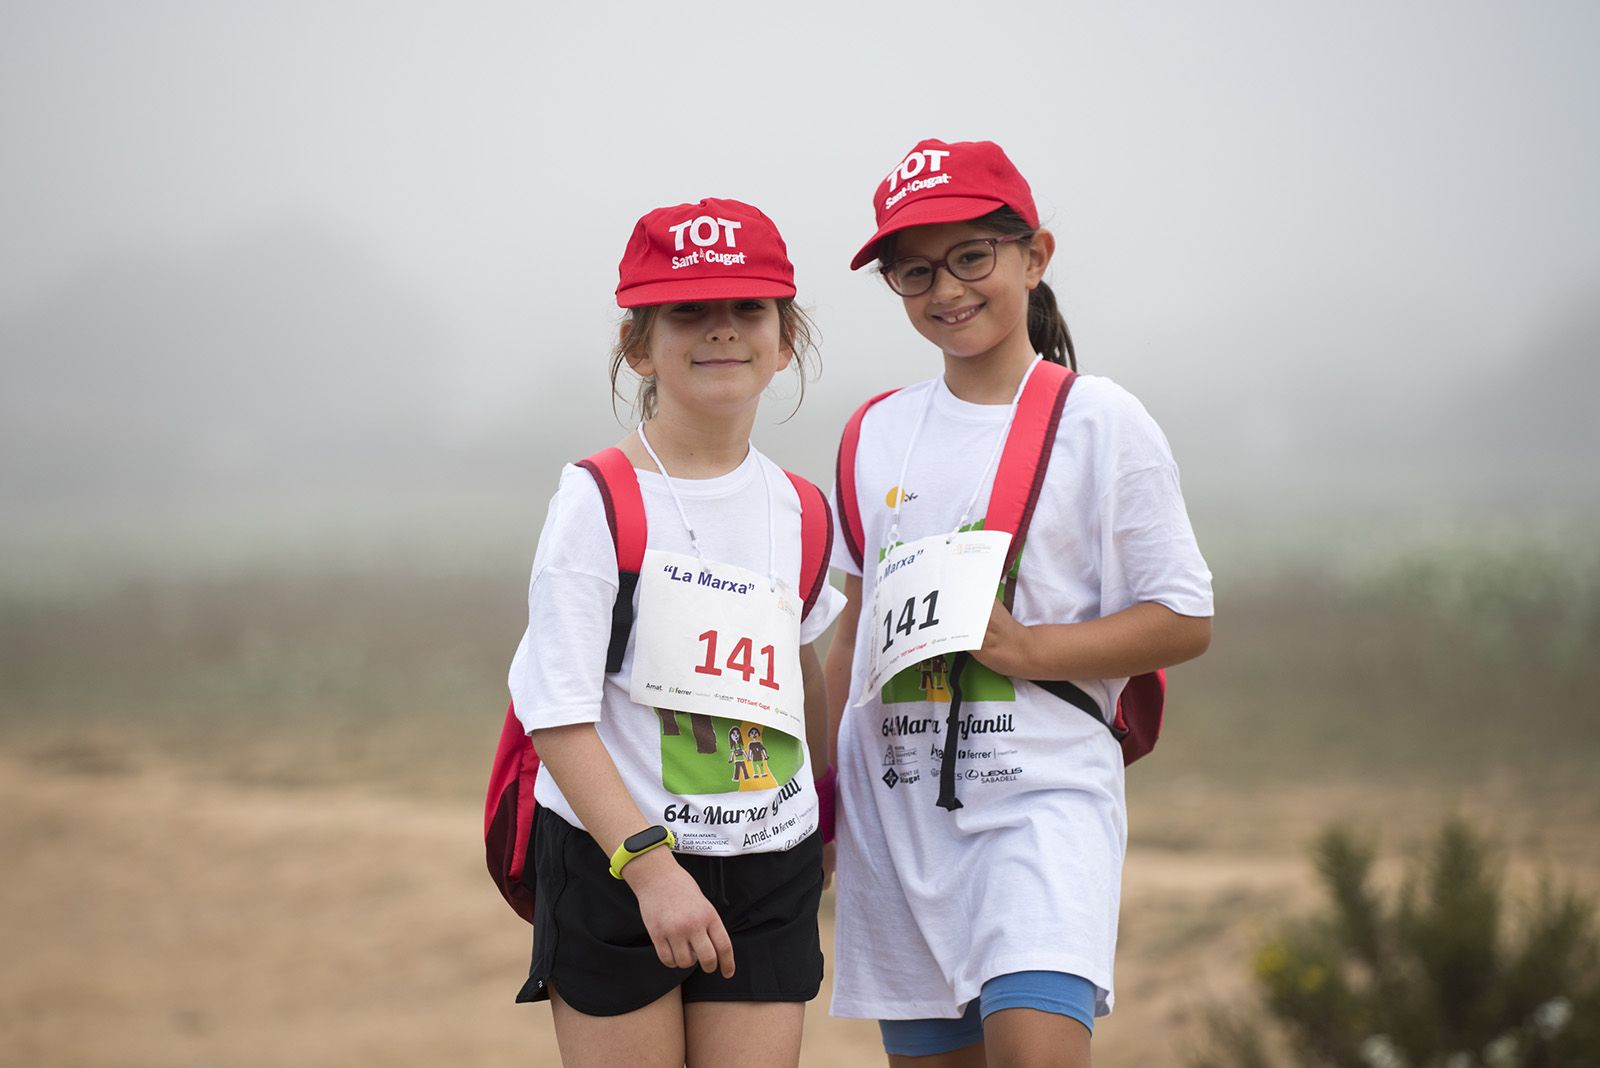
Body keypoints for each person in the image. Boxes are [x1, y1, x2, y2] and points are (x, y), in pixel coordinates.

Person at [824, 139, 1215, 1067]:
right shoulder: (874, 431)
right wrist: (824, 808)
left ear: (1034, 256)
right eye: (913, 271)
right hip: (900, 817)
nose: (945, 289)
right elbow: (854, 637)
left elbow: (1186, 617)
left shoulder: (1102, 420)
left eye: (972, 256)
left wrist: (1029, 650)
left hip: (1041, 806)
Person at [507, 197, 844, 1068]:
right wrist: (652, 872)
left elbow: (799, 677)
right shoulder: (597, 498)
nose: (723, 331)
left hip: (769, 861)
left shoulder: (803, 507)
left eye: (749, 309)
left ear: (785, 336)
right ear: (638, 345)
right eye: (689, 310)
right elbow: (556, 711)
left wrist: (822, 820)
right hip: (617, 862)